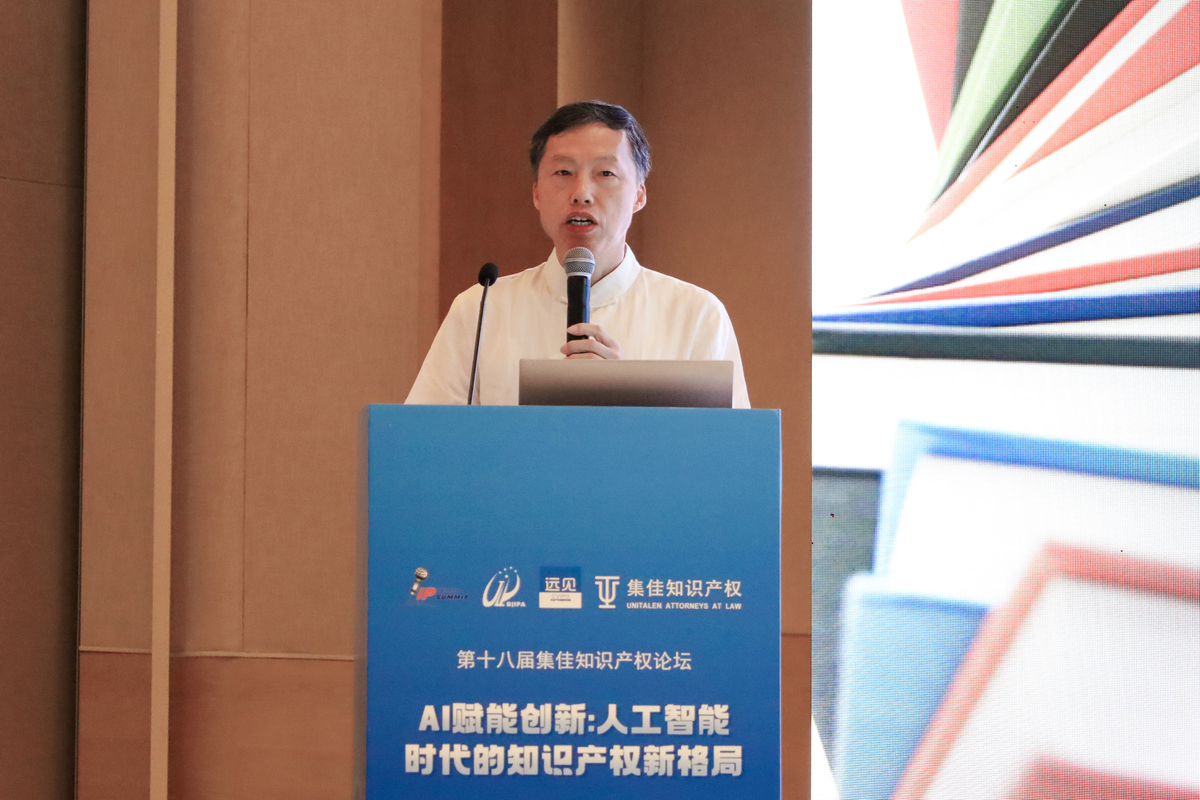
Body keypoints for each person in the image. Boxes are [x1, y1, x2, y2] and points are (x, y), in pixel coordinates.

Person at [405, 101, 750, 407]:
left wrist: (629, 400)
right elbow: (425, 443)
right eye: (564, 172)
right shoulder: (481, 310)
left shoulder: (696, 315)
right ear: (537, 194)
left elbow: (727, 452)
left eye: (606, 173)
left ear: (639, 195)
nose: (581, 192)